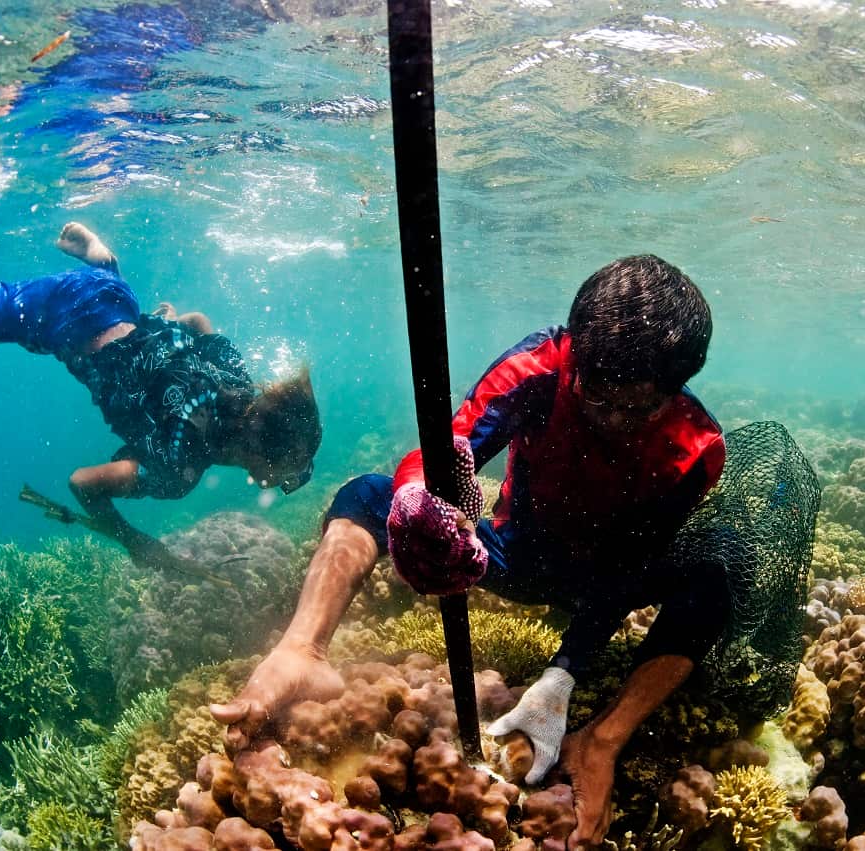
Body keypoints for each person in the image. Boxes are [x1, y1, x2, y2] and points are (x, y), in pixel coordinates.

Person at [211, 254, 730, 848]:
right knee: (366, 494)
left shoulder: (695, 447)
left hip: (604, 575)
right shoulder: (539, 367)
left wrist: (562, 676)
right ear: (575, 355)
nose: (612, 420)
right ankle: (302, 650)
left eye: (636, 408)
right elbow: (446, 450)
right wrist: (416, 503)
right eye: (595, 396)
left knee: (713, 580)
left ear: (674, 391)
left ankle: (602, 741)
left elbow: (627, 565)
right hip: (510, 554)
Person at [0, 210, 321, 570]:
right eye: (289, 472)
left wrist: (166, 331)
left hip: (117, 302)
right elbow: (82, 483)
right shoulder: (179, 468)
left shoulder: (238, 381)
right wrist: (135, 542)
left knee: (109, 306)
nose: (285, 483)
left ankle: (104, 264)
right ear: (260, 454)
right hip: (65, 316)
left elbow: (198, 322)